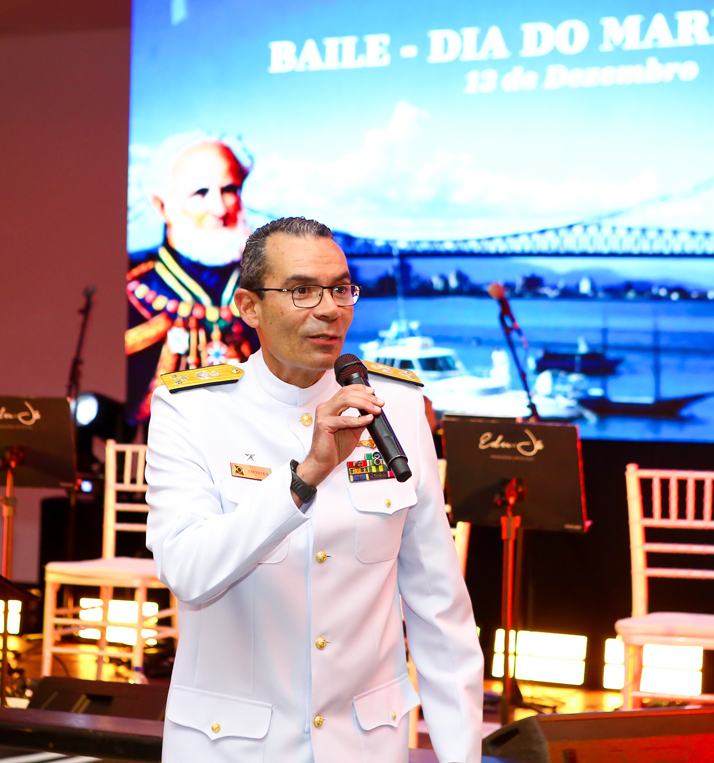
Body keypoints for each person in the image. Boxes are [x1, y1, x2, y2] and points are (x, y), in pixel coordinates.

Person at [145, 217, 484, 763]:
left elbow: (439, 610)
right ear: (249, 306)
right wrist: (304, 477)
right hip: (230, 746)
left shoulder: (395, 406)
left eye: (341, 289)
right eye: (302, 290)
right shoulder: (193, 409)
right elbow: (187, 570)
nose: (329, 309)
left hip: (365, 745)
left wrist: (462, 756)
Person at [126, 132, 259, 424]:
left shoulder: (266, 287)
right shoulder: (134, 292)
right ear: (161, 205)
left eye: (230, 190)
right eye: (200, 193)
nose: (220, 210)